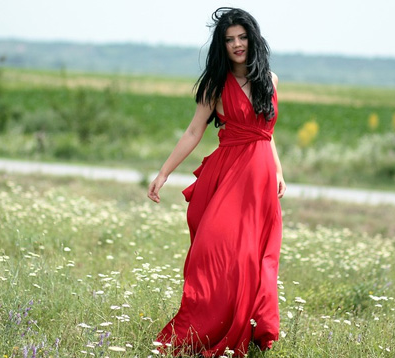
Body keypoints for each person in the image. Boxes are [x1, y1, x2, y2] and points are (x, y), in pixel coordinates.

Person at [147, 7, 285, 357]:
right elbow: (194, 131)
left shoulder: (269, 78)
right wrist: (164, 172)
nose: (237, 44)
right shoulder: (214, 85)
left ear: (252, 38)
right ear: (221, 46)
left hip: (260, 179)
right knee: (211, 251)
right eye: (229, 40)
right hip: (228, 175)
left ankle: (246, 328)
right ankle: (199, 328)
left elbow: (266, 130)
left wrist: (279, 170)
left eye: (242, 37)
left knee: (251, 258)